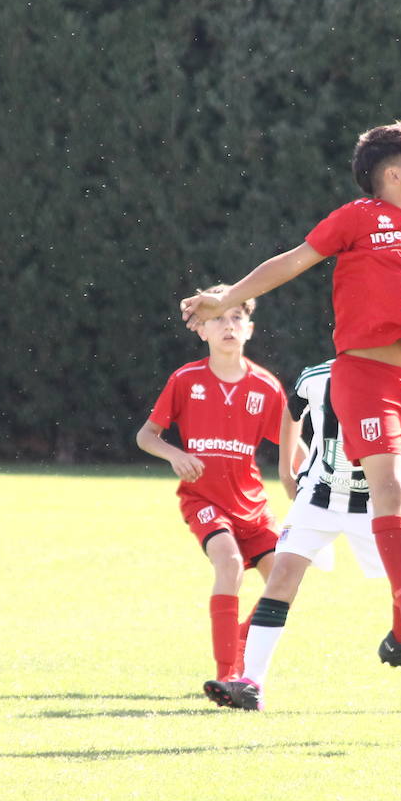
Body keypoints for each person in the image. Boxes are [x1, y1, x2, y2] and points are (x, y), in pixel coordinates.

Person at [181, 121, 401, 677]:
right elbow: (291, 261)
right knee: (391, 488)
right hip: (363, 374)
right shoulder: (357, 217)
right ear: (394, 172)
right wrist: (225, 298)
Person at [203, 359, 401, 712]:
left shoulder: (398, 377)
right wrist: (286, 468)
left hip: (376, 503)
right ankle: (250, 684)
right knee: (281, 577)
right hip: (318, 496)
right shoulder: (315, 375)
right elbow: (291, 411)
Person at [136, 285, 287, 687]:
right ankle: (228, 674)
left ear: (250, 330)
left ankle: (240, 637)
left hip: (252, 503)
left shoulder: (266, 386)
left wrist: (316, 480)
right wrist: (174, 454)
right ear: (201, 330)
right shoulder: (185, 380)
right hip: (203, 498)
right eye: (218, 318)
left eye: (237, 317)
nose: (228, 325)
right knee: (230, 563)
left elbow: (293, 447)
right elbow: (146, 435)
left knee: (284, 578)